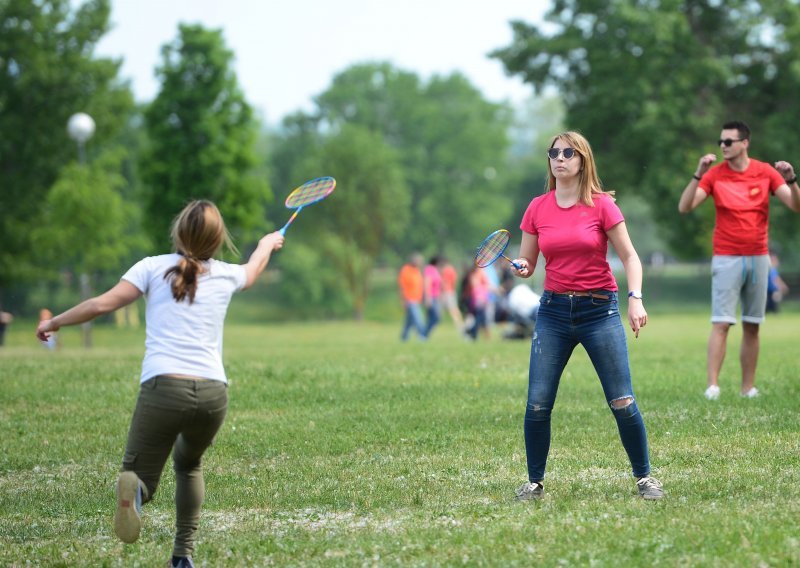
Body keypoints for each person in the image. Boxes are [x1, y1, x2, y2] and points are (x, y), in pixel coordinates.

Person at [36, 200, 285, 567]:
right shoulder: (228, 274)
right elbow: (253, 269)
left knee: (139, 477)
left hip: (164, 388)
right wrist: (266, 244)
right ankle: (182, 557)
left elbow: (101, 304)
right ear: (218, 240)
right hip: (214, 394)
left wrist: (55, 321)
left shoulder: (152, 268)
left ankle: (134, 492)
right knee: (189, 464)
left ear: (179, 232)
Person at [512, 131, 663, 501]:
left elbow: (630, 257)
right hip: (553, 312)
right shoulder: (537, 207)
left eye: (567, 152)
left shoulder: (602, 205)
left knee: (622, 400)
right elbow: (529, 263)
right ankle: (534, 482)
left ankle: (645, 478)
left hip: (600, 310)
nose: (559, 158)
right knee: (538, 401)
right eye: (553, 153)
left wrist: (636, 298)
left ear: (582, 160)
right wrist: (522, 267)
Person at [677, 120, 800, 400]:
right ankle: (713, 386)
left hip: (758, 257)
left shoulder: (765, 172)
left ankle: (748, 388)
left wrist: (792, 179)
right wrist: (698, 173)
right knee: (721, 322)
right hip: (726, 257)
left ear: (745, 143)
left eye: (729, 142)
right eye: (721, 141)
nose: (723, 146)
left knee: (752, 324)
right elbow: (685, 207)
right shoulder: (715, 175)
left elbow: (795, 205)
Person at [398, 253, 426, 341]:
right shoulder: (406, 270)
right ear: (414, 261)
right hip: (409, 299)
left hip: (417, 299)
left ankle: (404, 337)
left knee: (409, 321)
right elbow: (402, 286)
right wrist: (403, 300)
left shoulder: (417, 270)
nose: (421, 263)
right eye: (419, 261)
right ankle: (422, 336)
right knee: (418, 318)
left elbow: (420, 285)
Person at [439, 259, 464, 330]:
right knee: (454, 309)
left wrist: (442, 292)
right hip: (451, 291)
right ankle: (460, 323)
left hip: (446, 292)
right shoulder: (452, 269)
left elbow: (444, 282)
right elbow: (454, 281)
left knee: (452, 310)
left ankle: (459, 324)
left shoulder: (445, 270)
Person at [423, 255, 443, 337]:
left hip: (436, 297)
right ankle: (424, 334)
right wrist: (428, 297)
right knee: (435, 317)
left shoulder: (435, 270)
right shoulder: (429, 269)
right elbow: (427, 283)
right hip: (431, 297)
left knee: (434, 317)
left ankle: (424, 334)